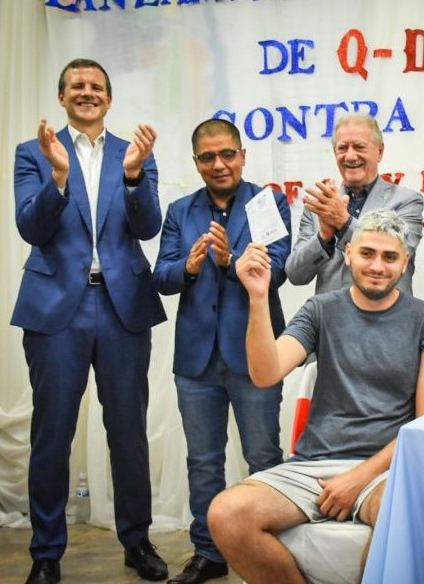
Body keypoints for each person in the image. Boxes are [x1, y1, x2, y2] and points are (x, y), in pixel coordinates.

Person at [206, 210, 424, 584]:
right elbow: (265, 373)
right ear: (348, 253)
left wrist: (358, 477)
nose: (377, 266)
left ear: (405, 262)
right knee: (226, 514)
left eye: (390, 257)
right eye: (367, 253)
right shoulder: (320, 309)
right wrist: (257, 298)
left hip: (386, 470)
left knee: (401, 512)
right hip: (314, 464)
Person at [12, 58, 168, 584]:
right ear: (62, 97)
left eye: (96, 86)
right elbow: (30, 229)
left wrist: (134, 176)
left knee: (128, 432)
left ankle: (137, 541)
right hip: (56, 308)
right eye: (76, 86)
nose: (87, 92)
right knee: (51, 433)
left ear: (109, 98)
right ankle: (46, 552)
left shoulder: (135, 153)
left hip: (123, 308)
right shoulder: (33, 152)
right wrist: (58, 177)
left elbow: (147, 227)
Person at [153, 119, 291, 584]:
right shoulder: (180, 210)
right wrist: (189, 268)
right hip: (196, 361)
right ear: (196, 162)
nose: (219, 164)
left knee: (263, 457)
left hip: (256, 356)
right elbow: (162, 275)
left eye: (227, 154)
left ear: (243, 155)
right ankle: (208, 553)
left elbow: (279, 268)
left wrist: (230, 261)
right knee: (203, 462)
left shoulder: (267, 202)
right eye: (208, 157)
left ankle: (271, 552)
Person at [285, 113, 424, 295]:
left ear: (380, 151)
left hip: (387, 312)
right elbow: (295, 275)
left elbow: (398, 254)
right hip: (331, 312)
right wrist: (323, 238)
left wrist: (343, 222)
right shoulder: (320, 206)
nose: (350, 156)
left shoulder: (407, 201)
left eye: (359, 147)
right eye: (342, 148)